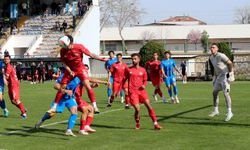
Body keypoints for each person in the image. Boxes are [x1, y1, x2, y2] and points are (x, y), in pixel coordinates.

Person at [49, 35, 106, 114]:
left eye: (67, 46)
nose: (66, 48)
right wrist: (69, 71)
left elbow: (91, 54)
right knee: (62, 88)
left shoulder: (79, 47)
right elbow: (64, 63)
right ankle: (54, 107)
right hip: (70, 71)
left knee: (87, 85)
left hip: (80, 69)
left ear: (71, 42)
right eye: (64, 46)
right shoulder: (62, 50)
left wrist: (100, 59)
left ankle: (95, 106)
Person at [124, 53, 161, 130]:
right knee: (137, 109)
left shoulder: (143, 70)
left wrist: (144, 85)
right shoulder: (128, 69)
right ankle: (137, 122)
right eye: (132, 59)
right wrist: (124, 88)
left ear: (139, 60)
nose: (133, 60)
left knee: (149, 106)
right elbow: (123, 80)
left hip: (142, 91)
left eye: (135, 59)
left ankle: (155, 124)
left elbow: (145, 80)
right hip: (132, 92)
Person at [208, 43, 234, 122]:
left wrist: (231, 74)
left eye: (213, 47)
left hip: (225, 76)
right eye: (211, 47)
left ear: (217, 49)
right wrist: (214, 78)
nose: (212, 49)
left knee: (226, 94)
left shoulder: (221, 55)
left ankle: (230, 112)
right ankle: (216, 110)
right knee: (214, 93)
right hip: (218, 77)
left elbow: (230, 63)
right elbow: (216, 68)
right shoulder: (211, 57)